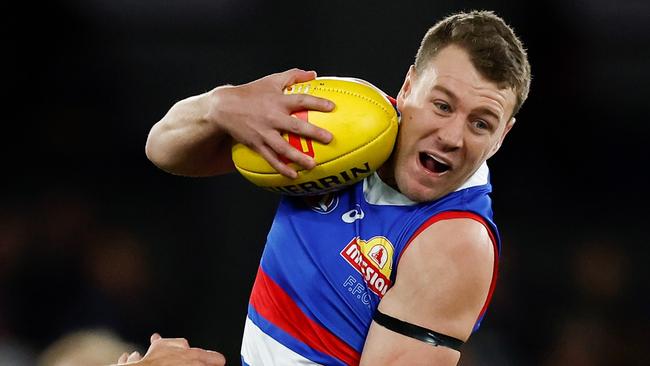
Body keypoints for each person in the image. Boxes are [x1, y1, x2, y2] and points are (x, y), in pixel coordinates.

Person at [144, 10, 531, 366]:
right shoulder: (344, 124)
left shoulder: (456, 242)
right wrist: (221, 106)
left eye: (481, 124)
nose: (451, 137)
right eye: (442, 105)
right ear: (409, 87)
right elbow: (163, 148)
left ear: (502, 137)